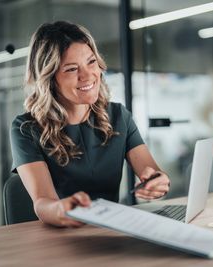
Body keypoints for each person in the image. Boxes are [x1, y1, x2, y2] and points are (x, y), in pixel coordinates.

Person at [10, 21, 170, 228]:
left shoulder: (118, 116)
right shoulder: (26, 128)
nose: (87, 76)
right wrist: (61, 209)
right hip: (60, 238)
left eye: (91, 62)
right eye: (71, 69)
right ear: (49, 78)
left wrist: (158, 182)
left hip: (110, 232)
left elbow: (155, 173)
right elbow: (42, 202)